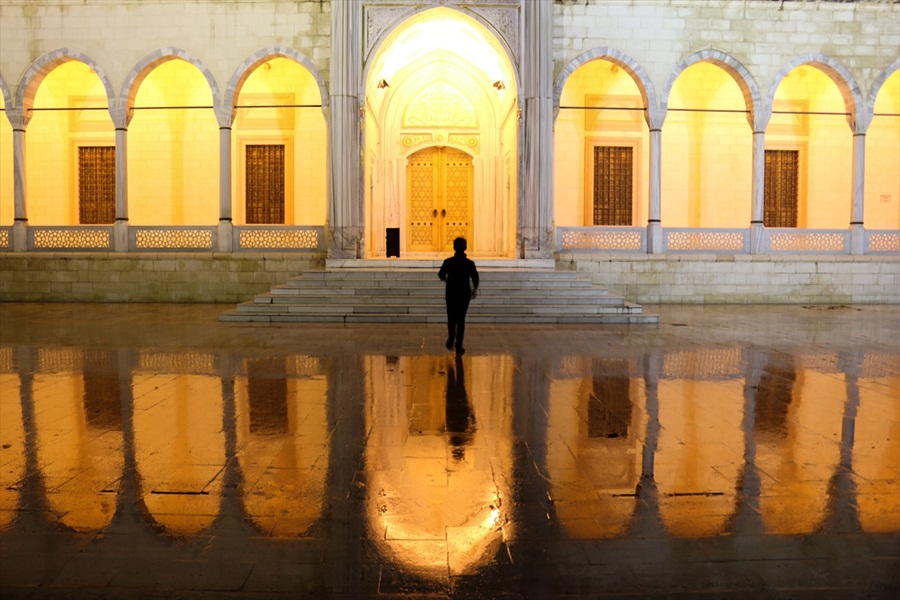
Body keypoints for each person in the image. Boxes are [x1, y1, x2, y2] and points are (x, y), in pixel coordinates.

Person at [438, 237, 479, 355]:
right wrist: (474, 289)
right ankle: (459, 345)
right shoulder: (469, 263)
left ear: (454, 247)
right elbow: (475, 278)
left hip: (451, 292)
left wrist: (446, 280)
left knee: (451, 317)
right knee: (461, 319)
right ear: (465, 248)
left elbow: (441, 274)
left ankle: (451, 336)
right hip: (463, 293)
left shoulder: (448, 262)